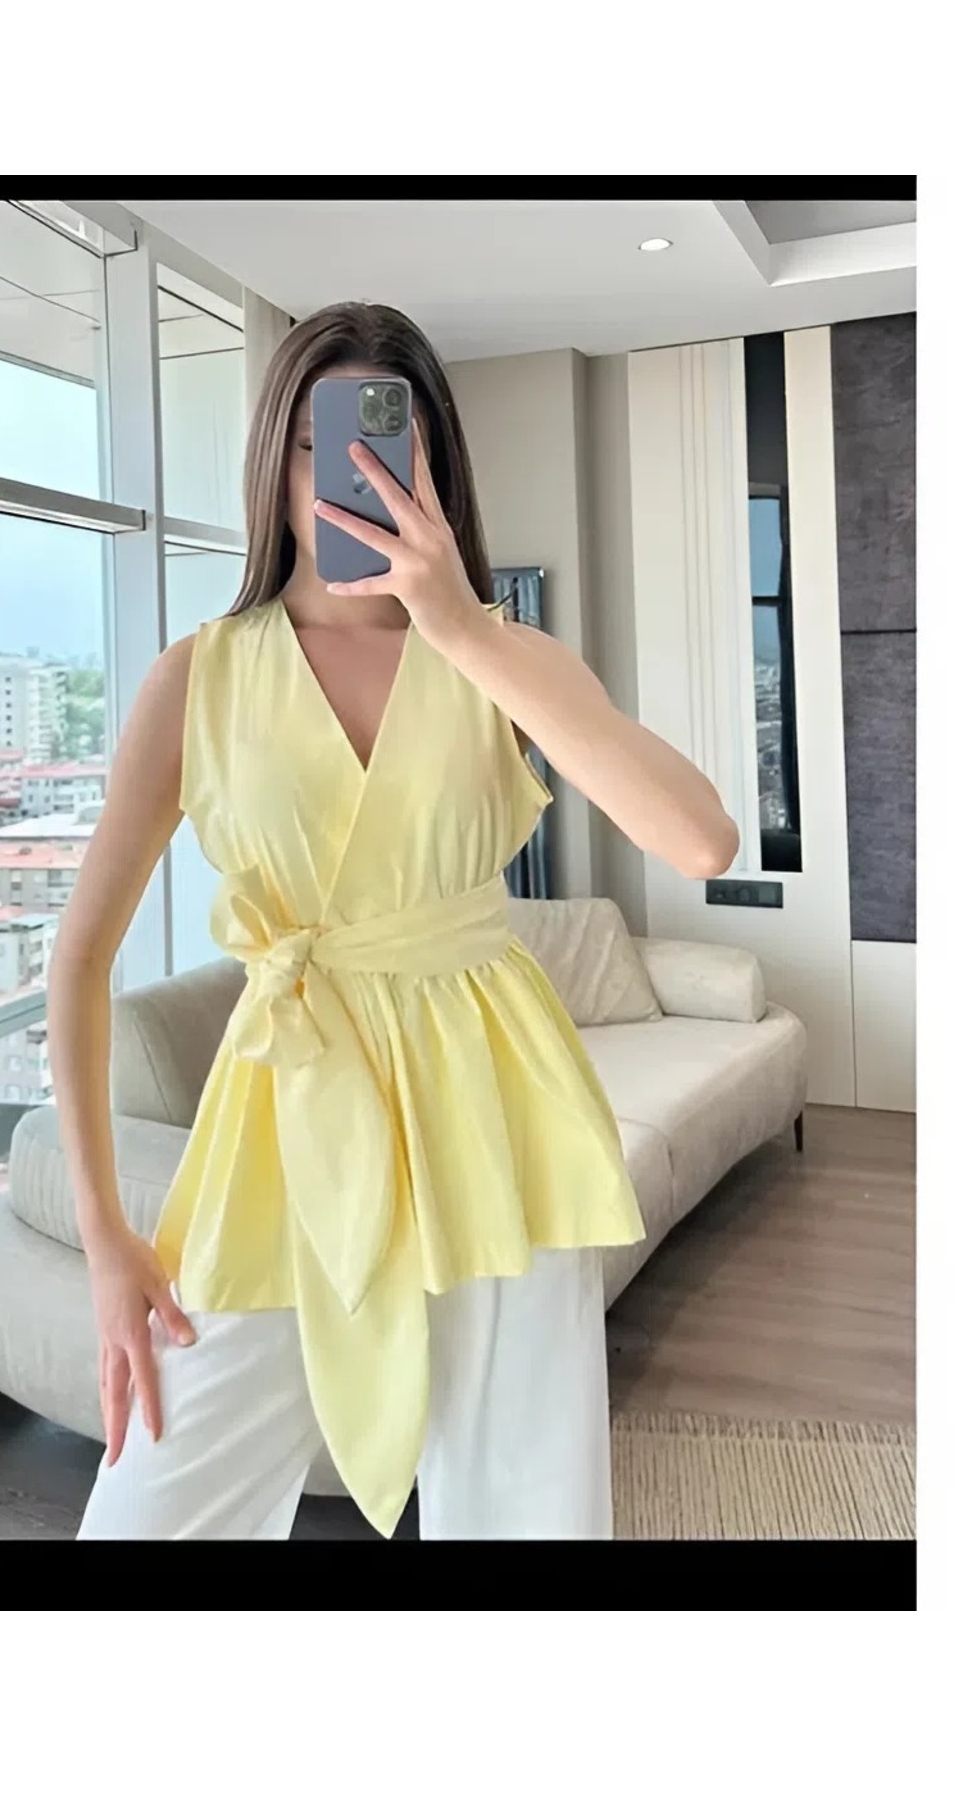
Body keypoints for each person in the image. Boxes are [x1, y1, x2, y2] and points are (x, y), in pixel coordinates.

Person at [51, 301, 739, 1542]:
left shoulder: (503, 657)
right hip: (283, 1122)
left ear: (435, 469)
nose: (353, 477)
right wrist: (105, 1234)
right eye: (322, 446)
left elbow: (701, 840)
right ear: (276, 462)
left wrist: (461, 626)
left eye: (386, 447)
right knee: (146, 1513)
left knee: (530, 1515)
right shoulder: (198, 676)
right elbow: (83, 955)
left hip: (496, 1116)